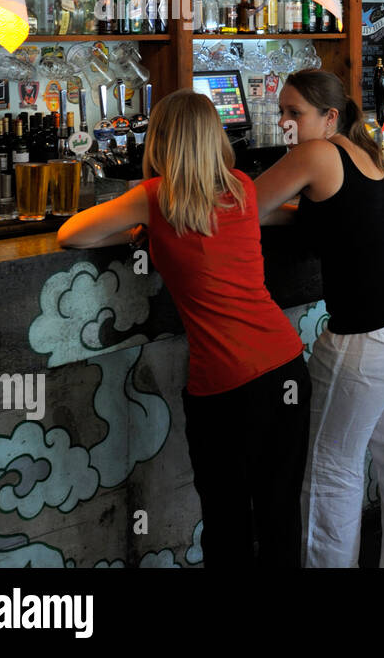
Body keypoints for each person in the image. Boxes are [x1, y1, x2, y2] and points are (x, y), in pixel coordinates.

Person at [57, 90, 309, 567]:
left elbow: (71, 234)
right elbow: (270, 218)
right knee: (279, 517)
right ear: (215, 138)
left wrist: (138, 229)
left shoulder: (155, 198)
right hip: (285, 367)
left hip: (225, 385)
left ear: (161, 141)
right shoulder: (241, 186)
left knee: (226, 518)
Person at [254, 68, 384, 568]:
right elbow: (312, 213)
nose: (285, 122)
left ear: (329, 116)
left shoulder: (314, 154)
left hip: (370, 332)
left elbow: (241, 206)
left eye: (295, 112)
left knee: (330, 470)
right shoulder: (361, 152)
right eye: (281, 112)